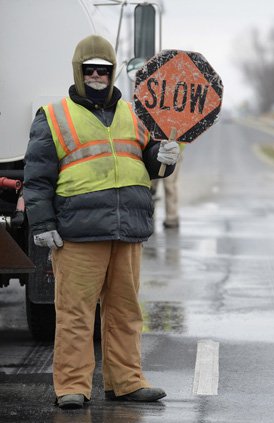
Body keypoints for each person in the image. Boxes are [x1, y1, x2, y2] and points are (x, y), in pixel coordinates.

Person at [23, 35, 179, 409]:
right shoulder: (54, 116)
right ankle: (72, 386)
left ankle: (126, 381)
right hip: (78, 235)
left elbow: (149, 162)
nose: (97, 75)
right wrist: (42, 224)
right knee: (75, 314)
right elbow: (37, 177)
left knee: (126, 312)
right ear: (79, 71)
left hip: (127, 233)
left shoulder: (136, 113)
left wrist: (165, 157)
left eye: (104, 69)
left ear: (112, 73)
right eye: (90, 69)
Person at [151, 156, 181, 229]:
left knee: (170, 186)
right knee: (150, 186)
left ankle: (171, 218)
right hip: (154, 153)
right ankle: (149, 215)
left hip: (173, 154)